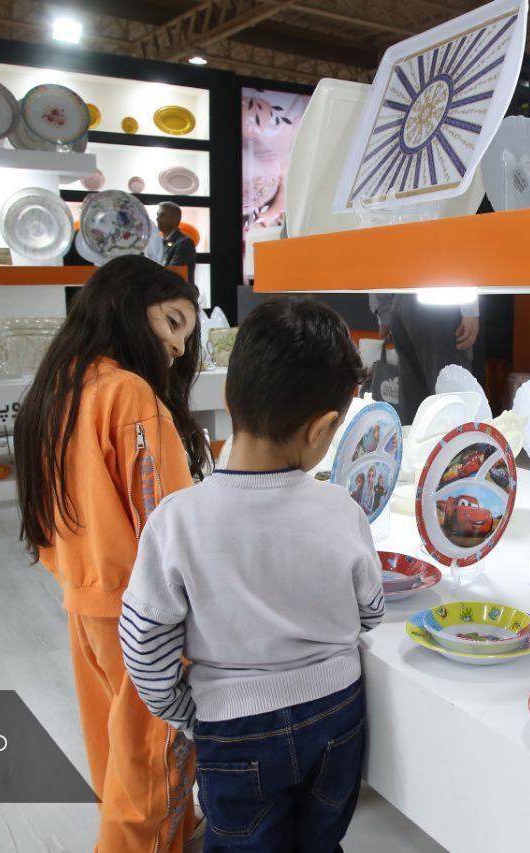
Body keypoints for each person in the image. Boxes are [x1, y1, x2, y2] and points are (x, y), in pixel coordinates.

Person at [120, 296, 383, 851]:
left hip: (233, 725)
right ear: (323, 429)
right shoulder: (342, 510)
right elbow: (371, 611)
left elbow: (144, 645)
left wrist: (188, 714)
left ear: (228, 395)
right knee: (320, 840)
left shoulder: (176, 520)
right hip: (336, 711)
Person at [13, 255, 211, 852]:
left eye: (185, 333)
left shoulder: (61, 384)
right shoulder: (128, 392)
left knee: (116, 754)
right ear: (127, 306)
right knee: (154, 766)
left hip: (84, 598)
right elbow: (166, 520)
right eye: (171, 322)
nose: (178, 347)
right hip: (143, 613)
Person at [368, 293, 479, 424]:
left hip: (401, 302)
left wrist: (385, 314)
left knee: (414, 402)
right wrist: (470, 310)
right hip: (441, 303)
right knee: (452, 399)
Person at [156, 201, 197, 268]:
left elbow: (174, 272)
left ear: (175, 219)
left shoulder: (185, 243)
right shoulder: (158, 242)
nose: (157, 219)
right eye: (157, 215)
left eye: (162, 215)